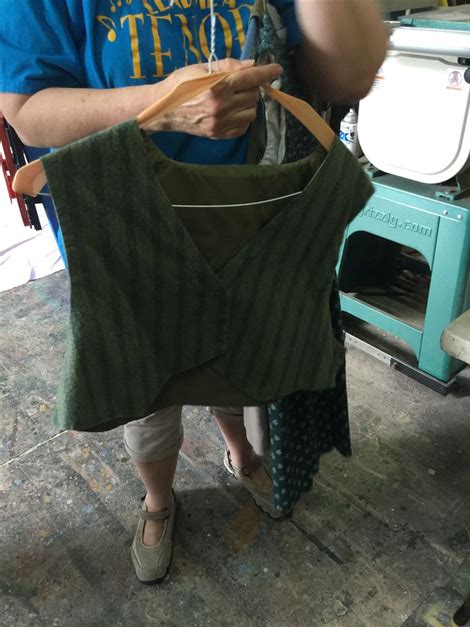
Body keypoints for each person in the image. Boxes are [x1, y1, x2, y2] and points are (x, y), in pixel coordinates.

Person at [0, 0, 387, 584]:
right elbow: (26, 112)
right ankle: (157, 501)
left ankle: (241, 453)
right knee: (152, 380)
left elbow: (348, 72)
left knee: (239, 351)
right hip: (128, 216)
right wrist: (158, 107)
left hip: (248, 203)